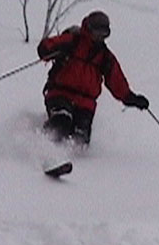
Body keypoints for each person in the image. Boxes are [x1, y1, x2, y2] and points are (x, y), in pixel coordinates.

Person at [37, 10, 149, 145]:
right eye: (97, 33)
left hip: (86, 103)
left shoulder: (105, 57)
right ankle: (41, 146)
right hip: (61, 93)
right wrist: (49, 50)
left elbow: (116, 81)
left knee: (80, 139)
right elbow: (46, 47)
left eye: (104, 34)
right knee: (61, 122)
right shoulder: (73, 41)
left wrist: (131, 98)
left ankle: (71, 156)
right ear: (89, 29)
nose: (99, 37)